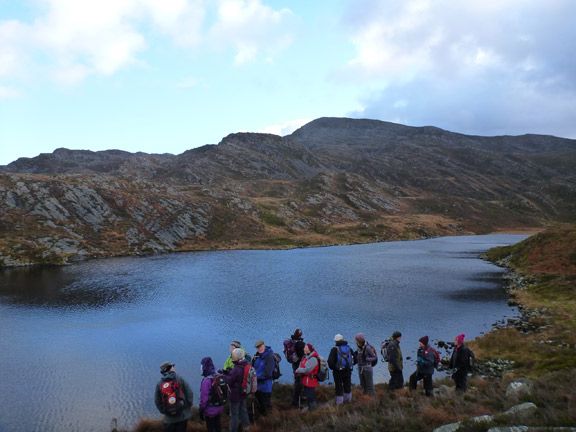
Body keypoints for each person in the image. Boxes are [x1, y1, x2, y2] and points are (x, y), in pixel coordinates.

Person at [155, 362, 194, 432]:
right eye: (172, 366)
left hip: (168, 417)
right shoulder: (180, 379)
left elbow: (157, 401)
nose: (174, 367)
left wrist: (163, 411)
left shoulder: (159, 383)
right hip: (182, 414)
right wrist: (187, 406)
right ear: (170, 369)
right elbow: (189, 393)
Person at [227, 348, 251, 432]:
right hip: (243, 393)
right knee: (243, 410)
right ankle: (247, 427)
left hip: (235, 395)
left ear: (236, 358)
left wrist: (223, 376)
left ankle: (233, 430)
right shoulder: (246, 365)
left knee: (234, 414)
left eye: (233, 355)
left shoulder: (236, 369)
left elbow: (229, 381)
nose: (232, 357)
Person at [199, 357, 225, 432]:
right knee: (218, 425)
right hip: (219, 407)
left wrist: (201, 410)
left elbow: (204, 399)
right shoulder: (218, 376)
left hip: (210, 410)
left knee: (210, 428)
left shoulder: (206, 381)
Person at [327, 334, 353, 404]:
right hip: (348, 371)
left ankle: (339, 403)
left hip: (337, 372)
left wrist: (334, 368)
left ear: (335, 341)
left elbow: (330, 362)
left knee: (339, 387)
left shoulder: (334, 350)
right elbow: (355, 359)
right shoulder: (349, 348)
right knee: (347, 386)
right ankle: (348, 402)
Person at [294, 343, 319, 412]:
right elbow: (301, 365)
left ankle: (313, 411)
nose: (304, 349)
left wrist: (298, 370)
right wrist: (299, 370)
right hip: (305, 381)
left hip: (311, 381)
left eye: (306, 348)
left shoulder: (313, 359)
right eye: (305, 348)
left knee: (310, 397)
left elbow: (307, 370)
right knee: (308, 397)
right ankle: (310, 409)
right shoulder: (305, 357)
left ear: (310, 350)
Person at [252, 340, 275, 415]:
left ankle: (270, 422)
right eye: (258, 348)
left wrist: (255, 377)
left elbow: (267, 373)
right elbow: (253, 368)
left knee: (266, 405)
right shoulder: (257, 356)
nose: (259, 349)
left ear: (264, 345)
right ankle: (262, 422)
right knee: (259, 404)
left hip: (265, 386)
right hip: (257, 386)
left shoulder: (270, 356)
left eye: (261, 347)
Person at [286, 329, 306, 407]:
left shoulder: (292, 342)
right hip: (300, 365)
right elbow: (302, 356)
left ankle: (297, 398)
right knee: (299, 382)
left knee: (297, 381)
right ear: (300, 335)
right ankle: (296, 401)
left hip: (294, 364)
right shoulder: (301, 344)